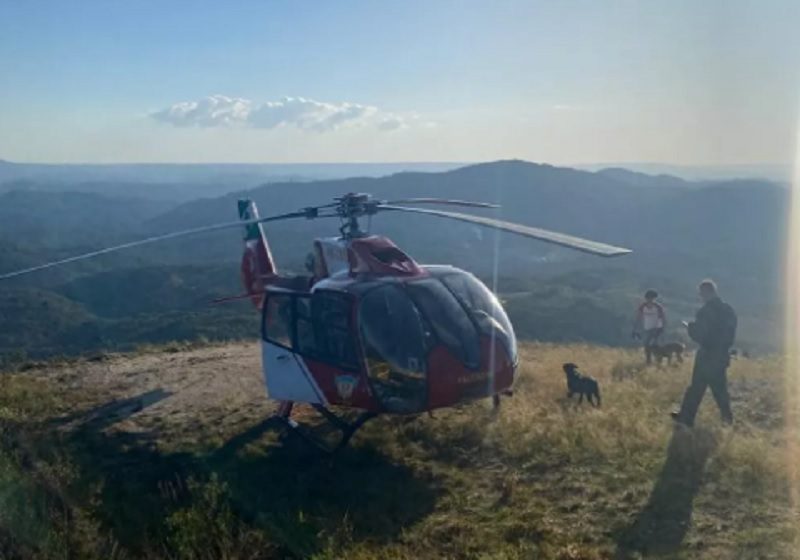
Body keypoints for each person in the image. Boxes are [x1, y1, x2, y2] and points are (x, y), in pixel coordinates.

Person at [672, 279, 737, 427]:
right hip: (721, 354)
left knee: (696, 388)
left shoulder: (705, 311)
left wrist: (690, 327)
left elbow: (700, 335)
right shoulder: (728, 310)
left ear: (705, 292)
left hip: (707, 355)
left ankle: (686, 418)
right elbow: (730, 333)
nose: (700, 297)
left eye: (701, 294)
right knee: (720, 389)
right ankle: (727, 419)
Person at [633, 289, 666, 364]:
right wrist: (635, 329)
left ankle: (658, 360)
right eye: (649, 298)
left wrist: (662, 328)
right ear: (646, 298)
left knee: (654, 345)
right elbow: (638, 317)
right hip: (647, 328)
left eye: (652, 298)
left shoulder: (658, 307)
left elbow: (663, 318)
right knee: (646, 345)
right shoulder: (642, 307)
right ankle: (649, 361)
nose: (650, 300)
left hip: (657, 328)